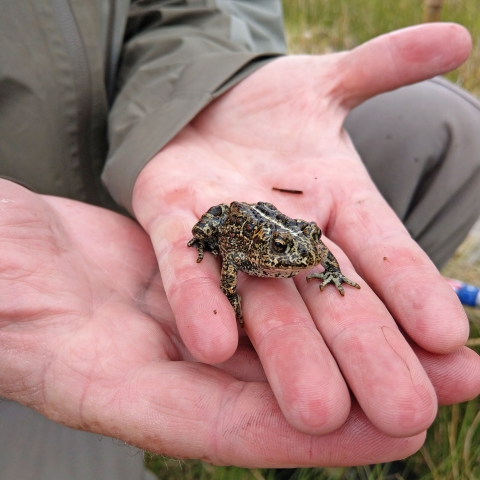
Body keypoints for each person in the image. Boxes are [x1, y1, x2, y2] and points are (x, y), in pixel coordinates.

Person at [0, 1, 479, 478]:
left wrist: (218, 82)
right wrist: (230, 297)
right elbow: (229, 259)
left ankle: (359, 390)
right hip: (126, 233)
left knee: (445, 120)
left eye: (308, 247)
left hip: (154, 117)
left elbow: (190, 11)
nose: (307, 255)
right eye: (293, 253)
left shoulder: (299, 248)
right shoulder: (251, 252)